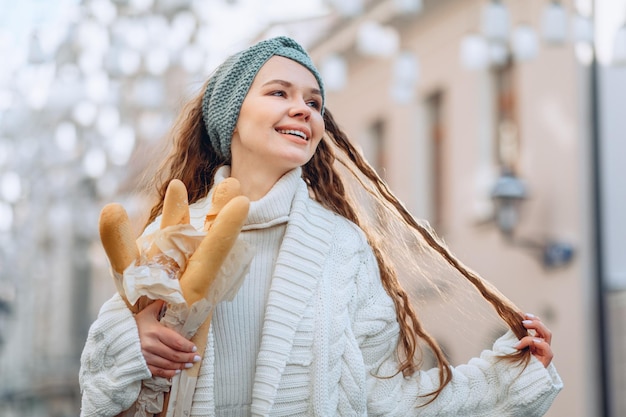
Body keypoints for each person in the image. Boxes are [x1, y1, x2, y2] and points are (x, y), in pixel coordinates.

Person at [79, 36, 562, 417]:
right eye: (279, 93)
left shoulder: (342, 248)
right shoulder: (169, 237)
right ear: (231, 116)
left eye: (313, 102)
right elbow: (102, 386)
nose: (303, 110)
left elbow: (384, 400)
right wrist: (132, 346)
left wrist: (506, 379)